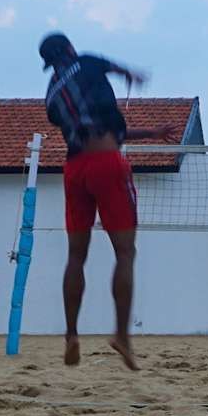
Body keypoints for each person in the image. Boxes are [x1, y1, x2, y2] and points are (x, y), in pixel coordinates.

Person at [41, 32, 176, 370]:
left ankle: (71, 335)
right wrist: (134, 74)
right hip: (107, 165)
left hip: (74, 170)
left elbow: (95, 130)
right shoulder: (85, 61)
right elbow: (118, 70)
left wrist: (152, 134)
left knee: (75, 256)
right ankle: (122, 336)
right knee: (126, 252)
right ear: (70, 49)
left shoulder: (52, 95)